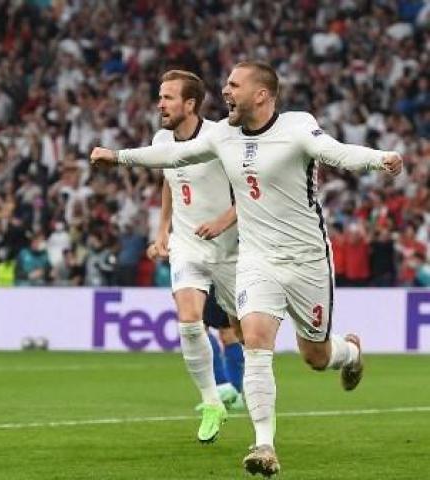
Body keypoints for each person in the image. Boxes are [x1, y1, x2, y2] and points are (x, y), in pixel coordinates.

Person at [90, 61, 403, 477]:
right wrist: (119, 157)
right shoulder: (223, 135)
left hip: (306, 259)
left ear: (262, 95)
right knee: (255, 342)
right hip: (256, 260)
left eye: (234, 85)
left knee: (315, 355)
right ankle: (263, 445)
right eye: (226, 83)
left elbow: (335, 152)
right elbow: (174, 153)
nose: (225, 91)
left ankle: (350, 353)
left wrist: (380, 159)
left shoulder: (296, 127)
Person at [144, 70, 243, 444]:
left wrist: (223, 220)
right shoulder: (161, 139)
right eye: (160, 96)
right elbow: (170, 180)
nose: (160, 104)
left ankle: (249, 392)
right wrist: (162, 229)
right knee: (189, 321)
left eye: (168, 97)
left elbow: (252, 189)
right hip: (188, 245)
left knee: (244, 333)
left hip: (231, 247)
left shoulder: (221, 137)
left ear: (190, 104)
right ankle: (212, 400)